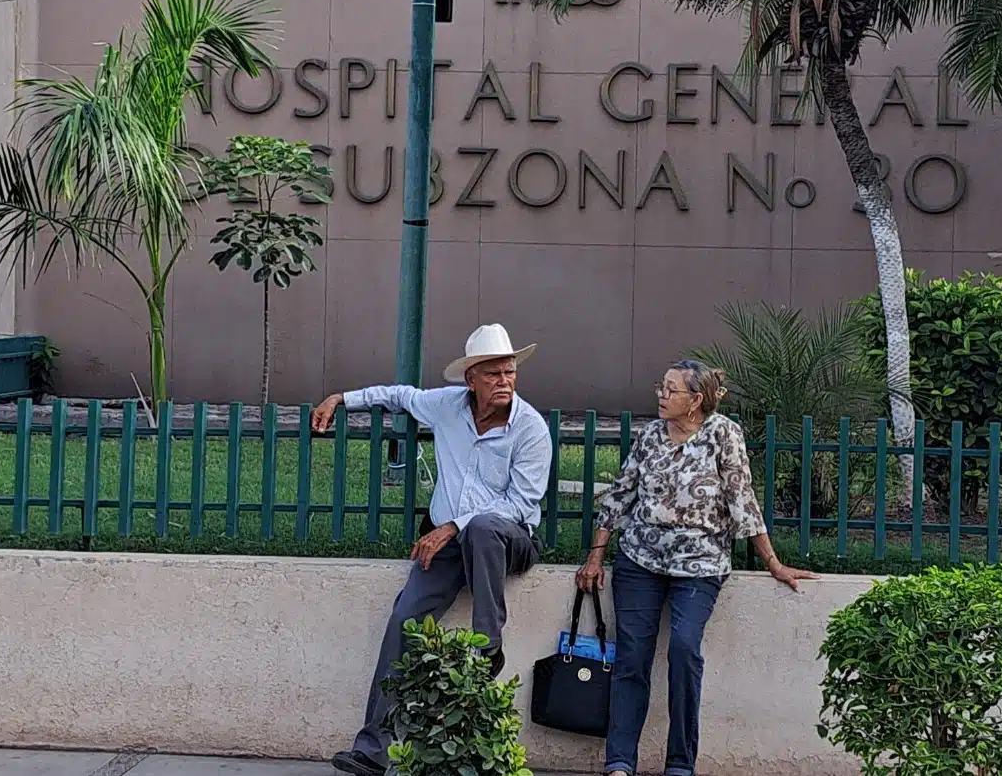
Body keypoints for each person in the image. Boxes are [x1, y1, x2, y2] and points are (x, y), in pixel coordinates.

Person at [314, 324, 551, 776]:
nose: (504, 380)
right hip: (448, 543)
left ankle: (488, 644)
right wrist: (341, 398)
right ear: (471, 379)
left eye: (510, 372)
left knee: (482, 527)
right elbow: (399, 394)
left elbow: (521, 504)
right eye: (494, 373)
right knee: (405, 621)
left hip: (509, 540)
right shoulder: (445, 406)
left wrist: (452, 526)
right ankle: (373, 748)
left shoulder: (531, 429)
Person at [577, 360, 817, 776]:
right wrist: (595, 556)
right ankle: (619, 762)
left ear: (696, 401)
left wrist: (773, 563)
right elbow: (621, 495)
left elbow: (742, 500)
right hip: (641, 560)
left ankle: (680, 763)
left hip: (701, 563)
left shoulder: (723, 434)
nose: (661, 395)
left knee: (684, 649)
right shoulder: (650, 435)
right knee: (632, 657)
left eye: (671, 390)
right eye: (661, 386)